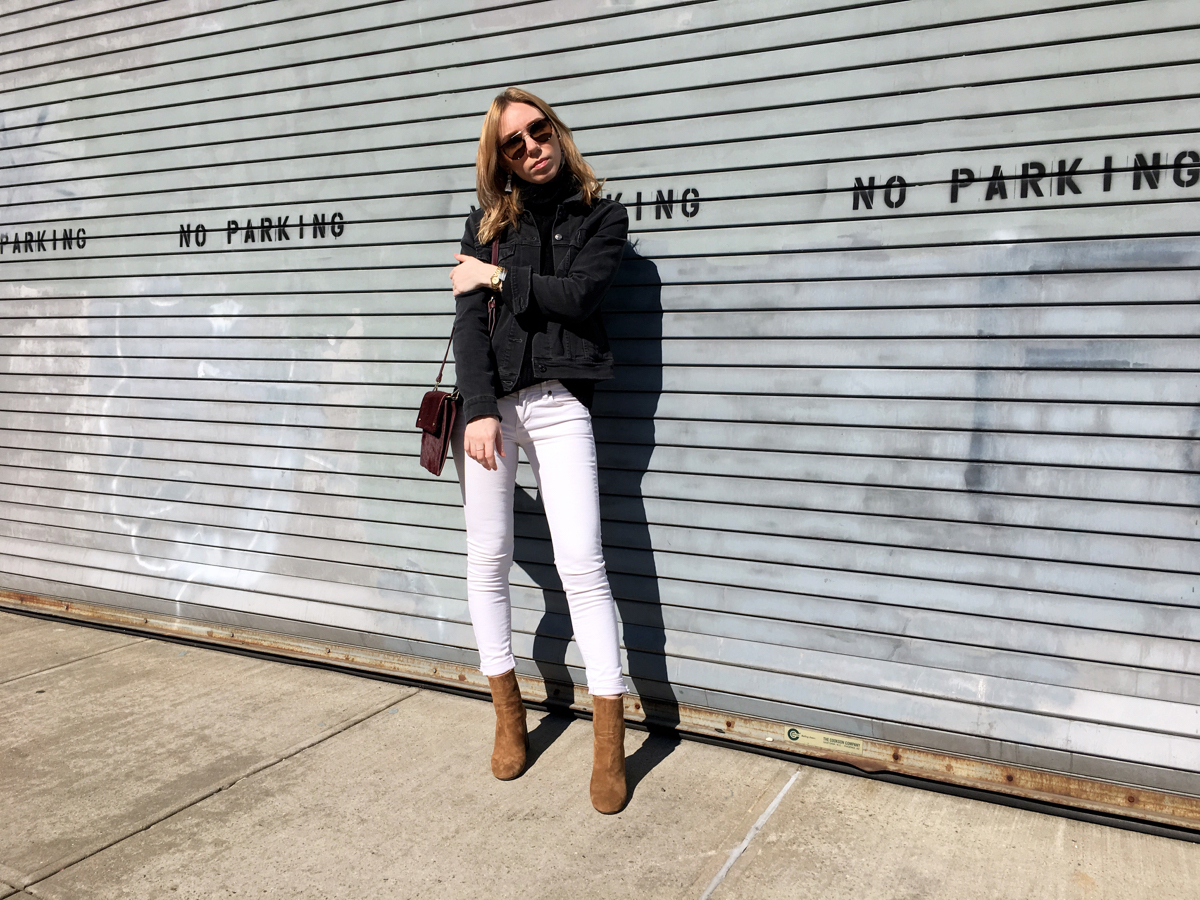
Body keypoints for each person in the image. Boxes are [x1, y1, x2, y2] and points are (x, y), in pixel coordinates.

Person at [448, 88, 630, 814]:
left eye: (539, 131)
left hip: (560, 406)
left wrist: (493, 275)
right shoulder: (487, 223)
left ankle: (609, 741)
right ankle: (507, 715)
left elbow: (577, 297)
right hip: (491, 414)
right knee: (487, 559)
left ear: (557, 129)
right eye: (514, 145)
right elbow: (468, 331)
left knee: (582, 564)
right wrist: (480, 412)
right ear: (502, 161)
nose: (532, 148)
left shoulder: (603, 216)